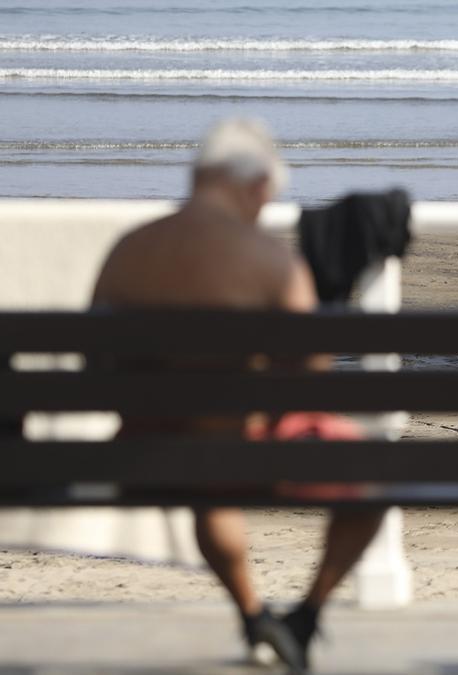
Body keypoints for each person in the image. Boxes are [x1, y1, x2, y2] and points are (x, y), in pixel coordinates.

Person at [91, 118, 385, 672]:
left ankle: (254, 617)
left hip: (143, 455)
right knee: (370, 476)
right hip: (250, 449)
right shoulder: (270, 259)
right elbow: (310, 373)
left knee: (208, 469)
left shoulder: (130, 250)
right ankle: (309, 612)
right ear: (253, 186)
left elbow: (98, 368)